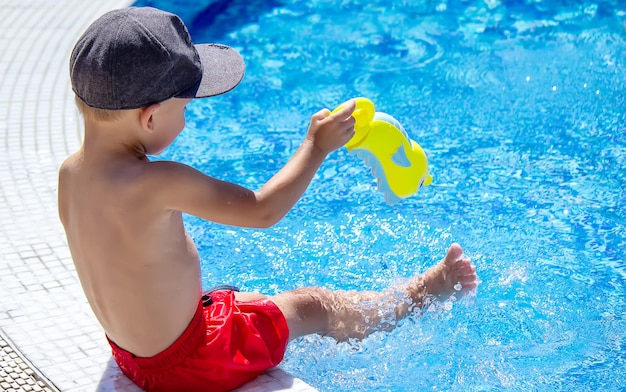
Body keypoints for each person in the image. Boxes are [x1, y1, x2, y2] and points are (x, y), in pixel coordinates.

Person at [58, 6, 477, 392]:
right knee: (312, 304)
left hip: (132, 358)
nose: (186, 119)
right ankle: (425, 290)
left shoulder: (70, 176)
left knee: (245, 302)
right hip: (192, 365)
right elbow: (262, 210)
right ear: (149, 118)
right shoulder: (157, 182)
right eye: (184, 109)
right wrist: (315, 146)